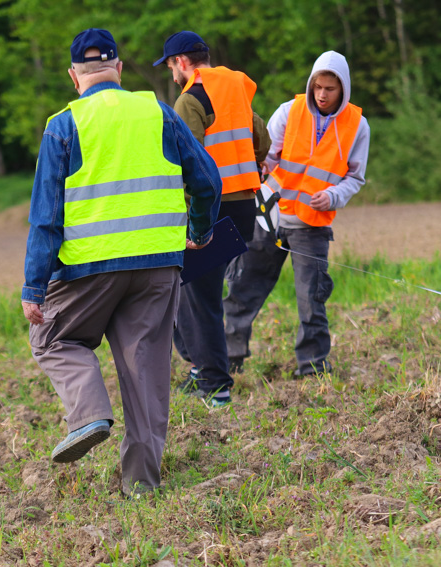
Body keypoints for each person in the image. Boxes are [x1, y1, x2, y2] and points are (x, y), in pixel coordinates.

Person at [21, 28, 222, 496]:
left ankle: (89, 414)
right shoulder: (156, 111)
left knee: (50, 337)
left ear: (75, 77)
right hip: (157, 266)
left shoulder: (62, 125)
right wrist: (200, 230)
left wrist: (34, 288)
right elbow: (206, 179)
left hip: (87, 270)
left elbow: (46, 218)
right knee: (146, 376)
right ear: (120, 69)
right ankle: (141, 486)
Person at [224, 51, 370, 377]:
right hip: (269, 217)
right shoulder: (289, 111)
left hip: (312, 227)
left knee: (311, 301)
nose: (321, 94)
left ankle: (313, 368)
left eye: (330, 89)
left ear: (343, 89)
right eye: (318, 86)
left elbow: (355, 178)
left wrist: (333, 196)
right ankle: (228, 359)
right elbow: (266, 156)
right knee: (242, 291)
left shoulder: (358, 126)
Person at [153, 31, 270, 406]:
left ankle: (216, 386)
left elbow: (188, 162)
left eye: (172, 65)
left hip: (210, 209)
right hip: (244, 208)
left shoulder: (190, 99)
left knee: (199, 298)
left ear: (183, 61)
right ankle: (202, 368)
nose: (173, 75)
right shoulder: (236, 88)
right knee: (190, 290)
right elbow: (262, 141)